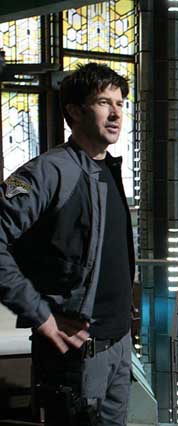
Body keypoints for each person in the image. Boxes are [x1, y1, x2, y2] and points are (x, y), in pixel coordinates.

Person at [0, 63, 134, 424]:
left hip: (119, 344)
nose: (116, 113)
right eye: (103, 102)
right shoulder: (48, 172)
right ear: (74, 111)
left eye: (120, 103)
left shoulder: (108, 168)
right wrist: (39, 313)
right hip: (76, 355)